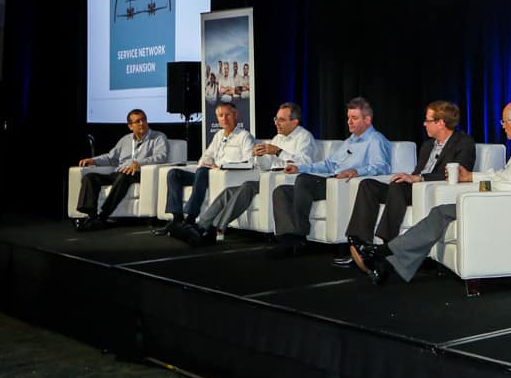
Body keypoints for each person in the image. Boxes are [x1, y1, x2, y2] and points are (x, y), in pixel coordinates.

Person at [351, 99, 511, 284]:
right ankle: (385, 262)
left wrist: (495, 191)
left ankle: (383, 253)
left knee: (441, 212)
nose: (502, 126)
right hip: (500, 200)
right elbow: (504, 176)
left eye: (504, 122)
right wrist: (472, 177)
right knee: (441, 211)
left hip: (510, 205)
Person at [334, 100, 475, 266]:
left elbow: (458, 175)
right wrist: (410, 177)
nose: (424, 124)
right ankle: (360, 246)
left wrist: (419, 178)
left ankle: (387, 246)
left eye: (428, 120)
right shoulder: (428, 145)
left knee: (398, 186)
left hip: (430, 191)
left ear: (441, 123)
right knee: (368, 185)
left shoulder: (464, 143)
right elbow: (417, 171)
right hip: (411, 188)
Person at [172, 103, 315, 246]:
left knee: (247, 186)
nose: (277, 123)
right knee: (229, 192)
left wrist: (278, 151)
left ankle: (218, 228)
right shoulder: (278, 138)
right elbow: (266, 166)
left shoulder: (304, 137)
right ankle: (201, 227)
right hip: (269, 180)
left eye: (281, 120)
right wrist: (259, 155)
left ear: (294, 122)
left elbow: (305, 162)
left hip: (288, 182)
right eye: (276, 119)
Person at [265, 97, 391, 258]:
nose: (349, 122)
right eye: (348, 118)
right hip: (331, 182)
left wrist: (357, 171)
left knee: (304, 181)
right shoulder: (350, 141)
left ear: (367, 120)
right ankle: (289, 240)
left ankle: (299, 234)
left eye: (354, 118)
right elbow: (328, 164)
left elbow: (382, 166)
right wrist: (300, 167)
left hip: (345, 185)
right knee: (282, 191)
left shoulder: (375, 140)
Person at [158, 101, 254, 235]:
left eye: (228, 115)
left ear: (235, 115)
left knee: (202, 172)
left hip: (224, 176)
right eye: (221, 116)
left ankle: (191, 217)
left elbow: (249, 162)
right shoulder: (218, 135)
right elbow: (207, 156)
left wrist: (219, 167)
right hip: (208, 175)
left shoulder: (244, 136)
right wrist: (206, 163)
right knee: (174, 173)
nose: (224, 119)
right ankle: (177, 218)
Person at [75, 109, 171, 230]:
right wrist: (93, 160)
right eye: (137, 121)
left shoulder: (158, 137)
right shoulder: (125, 140)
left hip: (139, 174)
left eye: (144, 120)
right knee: (90, 177)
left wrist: (139, 164)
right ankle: (91, 216)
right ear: (130, 126)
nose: (142, 123)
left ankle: (103, 216)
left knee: (123, 176)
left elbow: (161, 156)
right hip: (119, 172)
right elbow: (111, 157)